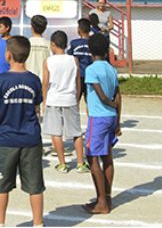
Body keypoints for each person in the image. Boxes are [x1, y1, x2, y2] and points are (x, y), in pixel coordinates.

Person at [0, 36, 45, 227]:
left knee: (1, 185)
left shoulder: (0, 80)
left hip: (7, 138)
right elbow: (36, 107)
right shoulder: (34, 80)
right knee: (35, 186)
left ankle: (0, 223)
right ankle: (38, 223)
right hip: (31, 137)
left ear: (8, 55)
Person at [84, 32, 122, 214]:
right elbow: (118, 95)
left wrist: (108, 102)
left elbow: (100, 94)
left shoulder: (91, 70)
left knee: (92, 158)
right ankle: (107, 197)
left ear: (90, 50)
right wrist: (118, 119)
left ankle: (101, 202)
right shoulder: (111, 69)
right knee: (107, 157)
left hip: (98, 117)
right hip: (111, 116)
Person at [43, 30, 86, 173]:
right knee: (76, 132)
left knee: (56, 132)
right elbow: (77, 81)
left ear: (53, 45)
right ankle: (80, 163)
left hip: (54, 98)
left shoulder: (48, 61)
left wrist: (44, 100)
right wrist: (77, 96)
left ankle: (62, 163)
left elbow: (45, 83)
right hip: (70, 98)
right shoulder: (73, 60)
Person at [68, 19, 94, 97]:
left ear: (79, 30)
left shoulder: (74, 43)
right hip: (90, 75)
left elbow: (69, 56)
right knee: (89, 100)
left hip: (78, 75)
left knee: (75, 99)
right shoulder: (93, 43)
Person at [27, 15, 51, 84]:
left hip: (28, 81)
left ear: (31, 26)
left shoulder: (26, 44)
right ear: (45, 28)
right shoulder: (49, 45)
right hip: (44, 81)